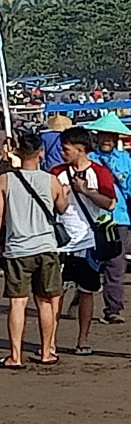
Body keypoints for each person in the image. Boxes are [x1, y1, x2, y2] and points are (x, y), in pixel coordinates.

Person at [0, 131, 68, 368]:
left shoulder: (6, 180)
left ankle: (15, 355)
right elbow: (62, 207)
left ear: (18, 153)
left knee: (17, 303)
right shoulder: (50, 180)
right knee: (45, 301)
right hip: (45, 246)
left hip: (18, 247)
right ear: (41, 153)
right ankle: (46, 351)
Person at [52, 125, 117, 355]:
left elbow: (110, 203)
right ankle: (50, 340)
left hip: (88, 239)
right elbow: (49, 202)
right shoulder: (57, 172)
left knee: (87, 290)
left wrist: (87, 191)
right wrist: (65, 191)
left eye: (66, 149)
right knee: (55, 292)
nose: (62, 153)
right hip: (61, 240)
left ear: (81, 149)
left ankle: (83, 339)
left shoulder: (99, 172)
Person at [88, 112, 131, 325]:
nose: (106, 140)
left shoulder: (124, 160)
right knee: (90, 262)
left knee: (115, 264)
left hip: (119, 218)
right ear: (97, 137)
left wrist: (117, 175)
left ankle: (113, 308)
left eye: (110, 136)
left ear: (116, 138)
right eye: (103, 135)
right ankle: (80, 303)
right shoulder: (90, 160)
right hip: (93, 218)